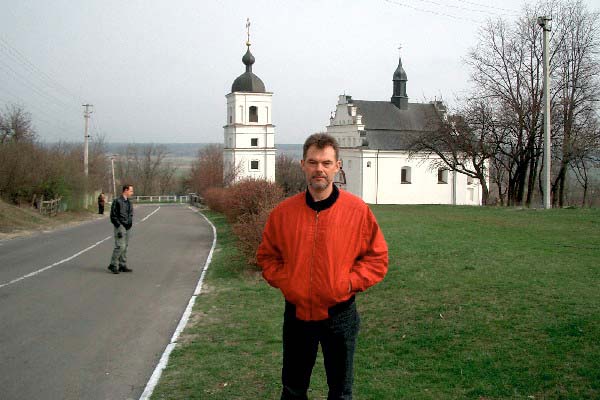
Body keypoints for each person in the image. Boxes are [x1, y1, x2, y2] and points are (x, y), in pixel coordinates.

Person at [257, 133, 389, 400]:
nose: (320, 169)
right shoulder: (283, 213)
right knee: (293, 390)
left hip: (340, 316)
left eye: (326, 163)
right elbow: (267, 257)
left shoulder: (357, 211)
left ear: (337, 166)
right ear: (302, 164)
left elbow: (377, 259)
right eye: (313, 162)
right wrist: (288, 281)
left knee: (340, 392)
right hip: (297, 317)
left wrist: (348, 283)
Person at [108, 185, 134, 274]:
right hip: (120, 226)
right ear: (125, 190)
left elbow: (130, 215)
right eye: (131, 191)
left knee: (125, 246)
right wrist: (118, 226)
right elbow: (113, 216)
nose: (132, 193)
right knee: (120, 246)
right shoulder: (117, 201)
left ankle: (122, 265)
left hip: (127, 227)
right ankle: (113, 265)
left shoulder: (129, 202)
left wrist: (129, 224)